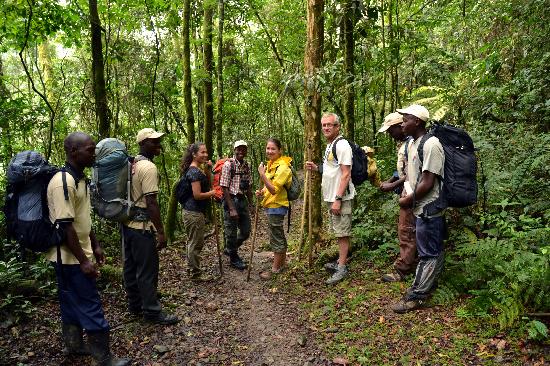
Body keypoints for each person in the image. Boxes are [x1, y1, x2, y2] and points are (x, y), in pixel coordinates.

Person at [47, 132, 129, 365]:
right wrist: (84, 261)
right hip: (70, 258)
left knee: (70, 300)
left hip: (74, 255)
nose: (94, 154)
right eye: (90, 150)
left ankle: (74, 346)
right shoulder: (64, 182)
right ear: (73, 151)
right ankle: (103, 358)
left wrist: (96, 244)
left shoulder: (79, 178)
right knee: (90, 304)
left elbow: (81, 218)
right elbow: (65, 226)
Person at [391, 104, 446, 313]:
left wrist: (408, 200)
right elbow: (413, 177)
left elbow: (428, 181)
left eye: (406, 120)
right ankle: (430, 285)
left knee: (427, 253)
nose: (402, 124)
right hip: (420, 206)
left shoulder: (431, 144)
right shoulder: (414, 143)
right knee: (434, 249)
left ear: (418, 122)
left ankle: (416, 296)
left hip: (429, 207)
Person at [121, 128, 179, 325]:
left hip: (127, 224)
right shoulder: (148, 168)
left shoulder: (131, 164)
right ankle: (152, 311)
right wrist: (161, 232)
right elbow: (151, 202)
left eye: (158, 141)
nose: (158, 144)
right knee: (147, 270)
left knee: (130, 267)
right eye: (153, 141)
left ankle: (135, 304)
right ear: (143, 143)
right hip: (142, 226)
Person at [305, 112, 356, 285]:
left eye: (330, 125)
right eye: (324, 125)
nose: (326, 128)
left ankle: (341, 267)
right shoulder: (330, 145)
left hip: (340, 196)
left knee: (342, 232)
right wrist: (317, 168)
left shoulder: (342, 145)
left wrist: (338, 198)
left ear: (337, 126)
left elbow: (346, 173)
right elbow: (331, 169)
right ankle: (340, 262)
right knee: (338, 231)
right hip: (332, 196)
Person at [378, 112, 418, 282]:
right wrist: (391, 180)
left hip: (411, 194)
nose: (390, 134)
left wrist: (393, 185)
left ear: (399, 126)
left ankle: (403, 269)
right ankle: (413, 264)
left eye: (391, 130)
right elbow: (402, 169)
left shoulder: (411, 144)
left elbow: (412, 172)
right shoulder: (406, 144)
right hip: (408, 192)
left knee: (406, 231)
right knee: (411, 231)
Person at [255, 138, 293, 279]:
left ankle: (276, 269)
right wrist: (261, 192)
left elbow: (274, 190)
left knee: (276, 236)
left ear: (279, 150)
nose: (269, 151)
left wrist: (262, 175)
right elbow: (267, 188)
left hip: (277, 206)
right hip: (270, 205)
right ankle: (281, 264)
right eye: (268, 148)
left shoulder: (283, 167)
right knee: (277, 235)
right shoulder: (272, 164)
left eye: (273, 149)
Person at [179, 142, 216, 281]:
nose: (205, 154)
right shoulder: (194, 171)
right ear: (194, 154)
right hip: (193, 213)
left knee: (192, 242)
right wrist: (212, 193)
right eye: (202, 152)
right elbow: (197, 195)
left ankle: (192, 269)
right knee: (195, 243)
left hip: (192, 212)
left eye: (206, 152)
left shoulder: (196, 169)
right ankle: (195, 274)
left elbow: (205, 181)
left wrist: (207, 169)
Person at [220, 140, 253, 270]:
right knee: (231, 232)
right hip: (231, 201)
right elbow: (224, 187)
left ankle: (230, 248)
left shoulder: (246, 165)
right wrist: (232, 208)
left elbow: (249, 185)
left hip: (242, 200)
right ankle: (234, 259)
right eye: (238, 149)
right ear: (234, 150)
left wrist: (251, 204)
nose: (241, 151)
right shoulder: (229, 165)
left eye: (243, 149)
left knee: (246, 231)